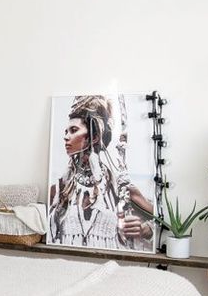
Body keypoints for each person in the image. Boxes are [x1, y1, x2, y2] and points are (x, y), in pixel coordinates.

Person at [48, 95, 154, 250]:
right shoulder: (59, 189)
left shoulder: (119, 187)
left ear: (95, 136)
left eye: (73, 130)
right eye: (66, 131)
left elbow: (161, 219)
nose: (66, 137)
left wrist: (146, 229)